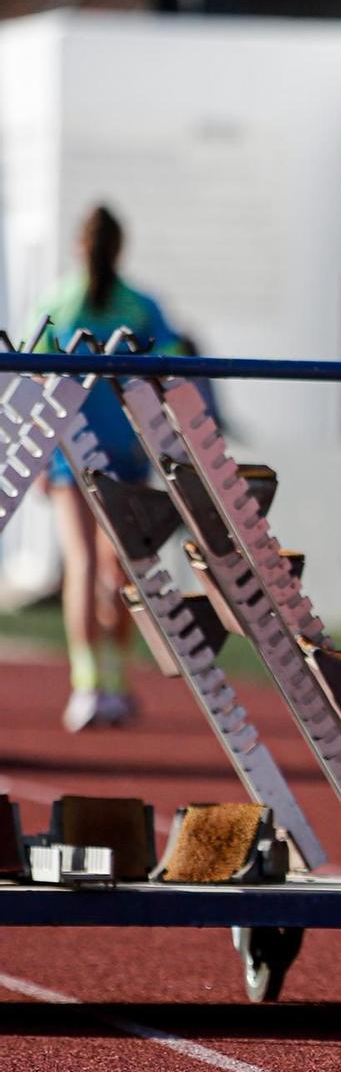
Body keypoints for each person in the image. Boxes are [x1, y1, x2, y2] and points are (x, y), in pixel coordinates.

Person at [31, 205, 176, 732]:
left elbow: (33, 373)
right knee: (116, 569)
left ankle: (91, 682)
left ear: (79, 245)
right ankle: (107, 682)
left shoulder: (59, 303)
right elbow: (175, 361)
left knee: (88, 567)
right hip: (120, 451)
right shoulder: (139, 305)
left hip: (74, 449)